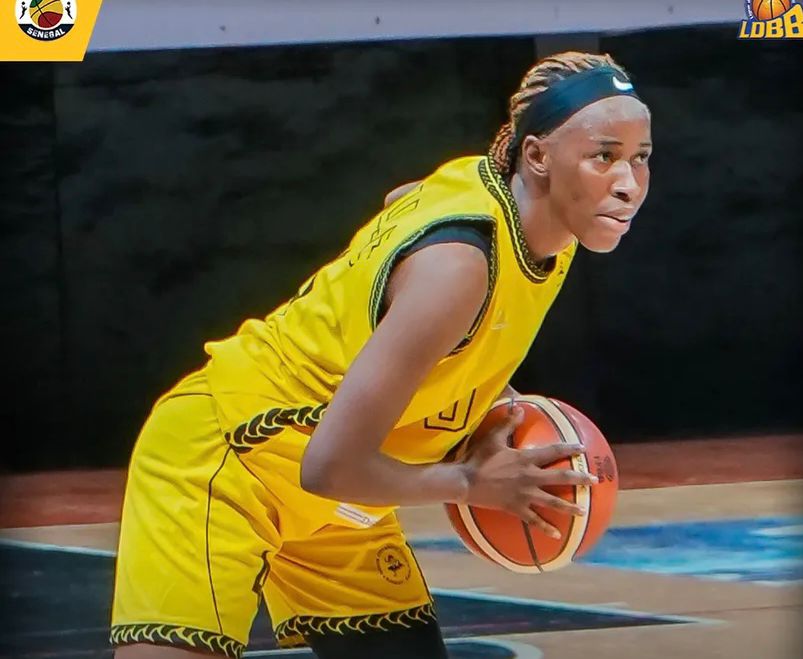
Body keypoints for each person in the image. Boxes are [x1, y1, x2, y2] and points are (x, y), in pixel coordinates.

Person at [110, 50, 652, 659]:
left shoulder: (536, 217)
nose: (628, 183)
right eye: (603, 156)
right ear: (538, 156)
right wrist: (471, 482)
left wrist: (491, 404)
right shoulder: (459, 266)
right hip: (230, 455)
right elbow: (328, 465)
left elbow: (407, 198)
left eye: (640, 158)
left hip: (338, 503)